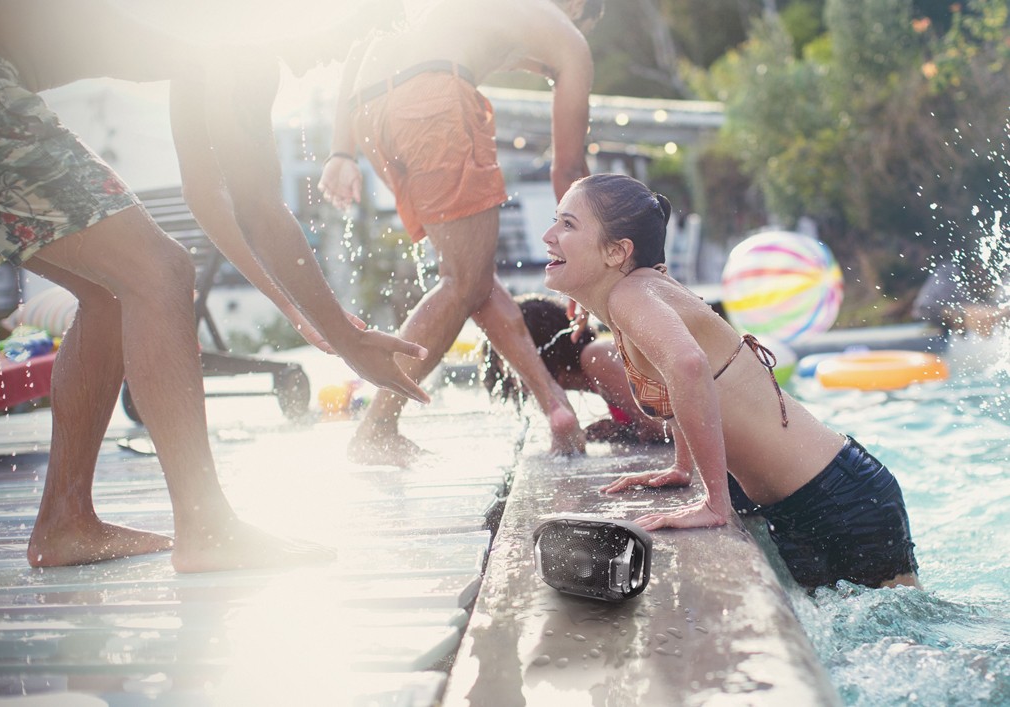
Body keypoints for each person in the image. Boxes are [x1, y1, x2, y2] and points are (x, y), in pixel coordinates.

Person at [0, 0, 428, 573]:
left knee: (115, 289)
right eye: (350, 30)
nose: (338, 56)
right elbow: (259, 210)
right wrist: (348, 340)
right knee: (158, 270)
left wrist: (304, 315)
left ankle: (65, 520)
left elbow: (209, 195)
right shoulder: (245, 28)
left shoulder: (217, 38)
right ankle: (206, 528)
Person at [542, 173, 919, 589]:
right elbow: (678, 377)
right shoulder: (640, 290)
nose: (548, 236)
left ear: (617, 251)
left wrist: (714, 503)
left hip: (839, 496)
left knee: (907, 629)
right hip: (805, 500)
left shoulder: (629, 296)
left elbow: (688, 366)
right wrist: (682, 466)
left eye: (567, 224)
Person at [318, 0, 604, 464]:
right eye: (581, 25)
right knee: (462, 281)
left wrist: (340, 151)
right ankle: (378, 427)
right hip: (432, 100)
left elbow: (365, 38)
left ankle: (555, 406)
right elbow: (568, 172)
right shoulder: (568, 38)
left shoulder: (479, 19)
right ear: (574, 6)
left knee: (471, 277)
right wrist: (589, 267)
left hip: (368, 112)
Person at [481, 294, 669, 445]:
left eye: (514, 366)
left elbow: (667, 429)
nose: (514, 379)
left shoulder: (596, 357)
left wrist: (629, 432)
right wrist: (620, 430)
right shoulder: (593, 367)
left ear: (541, 351)